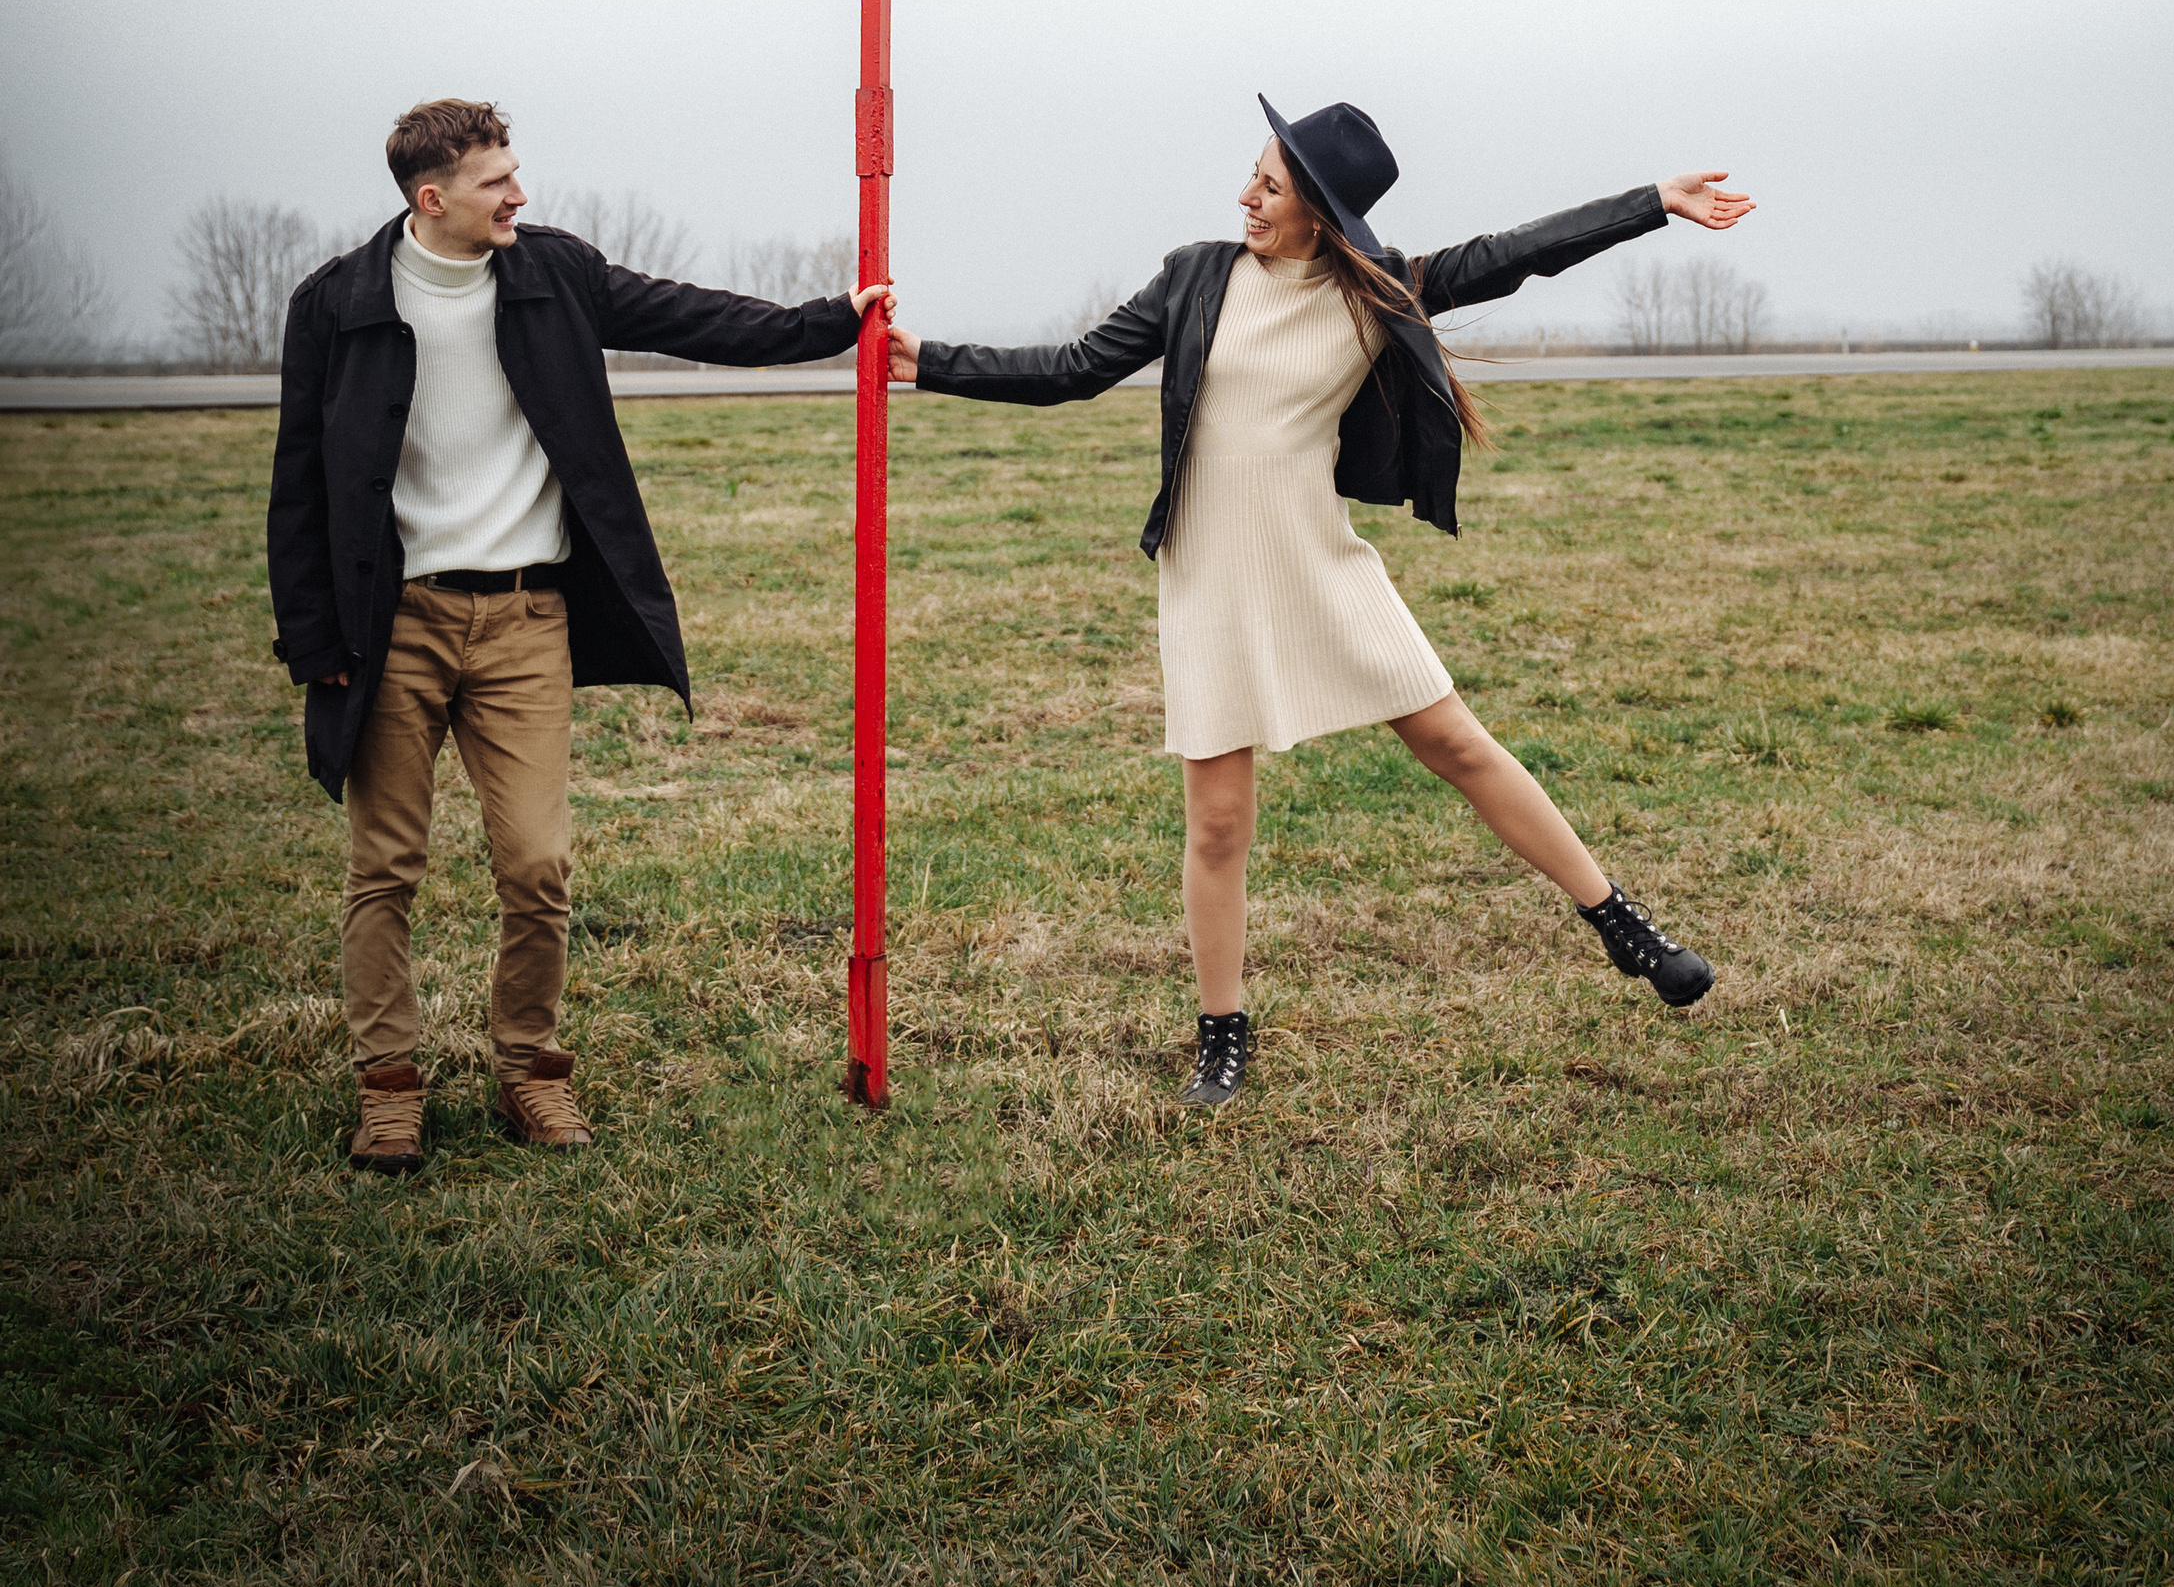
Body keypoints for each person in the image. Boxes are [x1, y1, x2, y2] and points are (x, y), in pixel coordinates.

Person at [884, 96, 1754, 1109]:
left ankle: (1617, 920)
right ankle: (1222, 1034)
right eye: (1252, 176)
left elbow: (1519, 253)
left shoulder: (1378, 293)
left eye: (1269, 185)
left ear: (1320, 210)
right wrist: (930, 361)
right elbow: (1077, 369)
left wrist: (1652, 201)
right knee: (1218, 823)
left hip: (1319, 564)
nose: (1245, 197)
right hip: (1210, 575)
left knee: (1458, 743)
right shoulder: (1196, 277)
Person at [266, 98, 891, 1174]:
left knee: (538, 861)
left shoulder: (554, 273)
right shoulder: (338, 303)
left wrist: (831, 319)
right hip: (394, 624)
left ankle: (529, 1070)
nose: (519, 193)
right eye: (495, 180)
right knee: (386, 865)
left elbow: (691, 317)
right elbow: (298, 483)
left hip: (525, 617)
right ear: (432, 197)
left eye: (515, 171)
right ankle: (388, 1088)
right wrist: (313, 640)